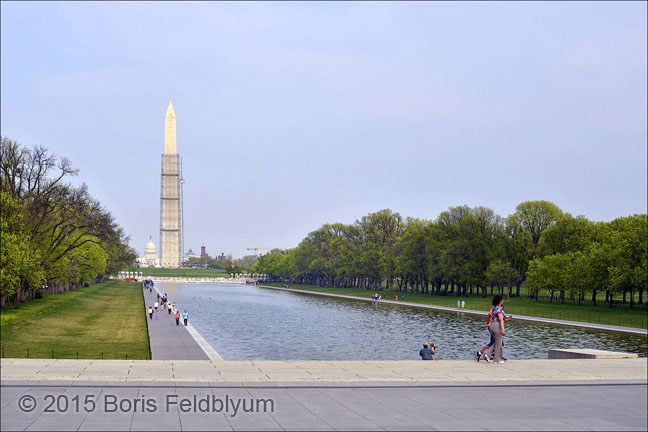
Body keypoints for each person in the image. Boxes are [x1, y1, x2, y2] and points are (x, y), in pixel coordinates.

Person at [488, 295, 509, 364]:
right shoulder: (500, 309)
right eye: (502, 300)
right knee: (499, 343)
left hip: (492, 325)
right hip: (497, 326)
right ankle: (498, 359)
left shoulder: (494, 308)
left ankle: (493, 357)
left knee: (496, 343)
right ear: (500, 301)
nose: (503, 301)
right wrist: (503, 329)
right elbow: (500, 319)